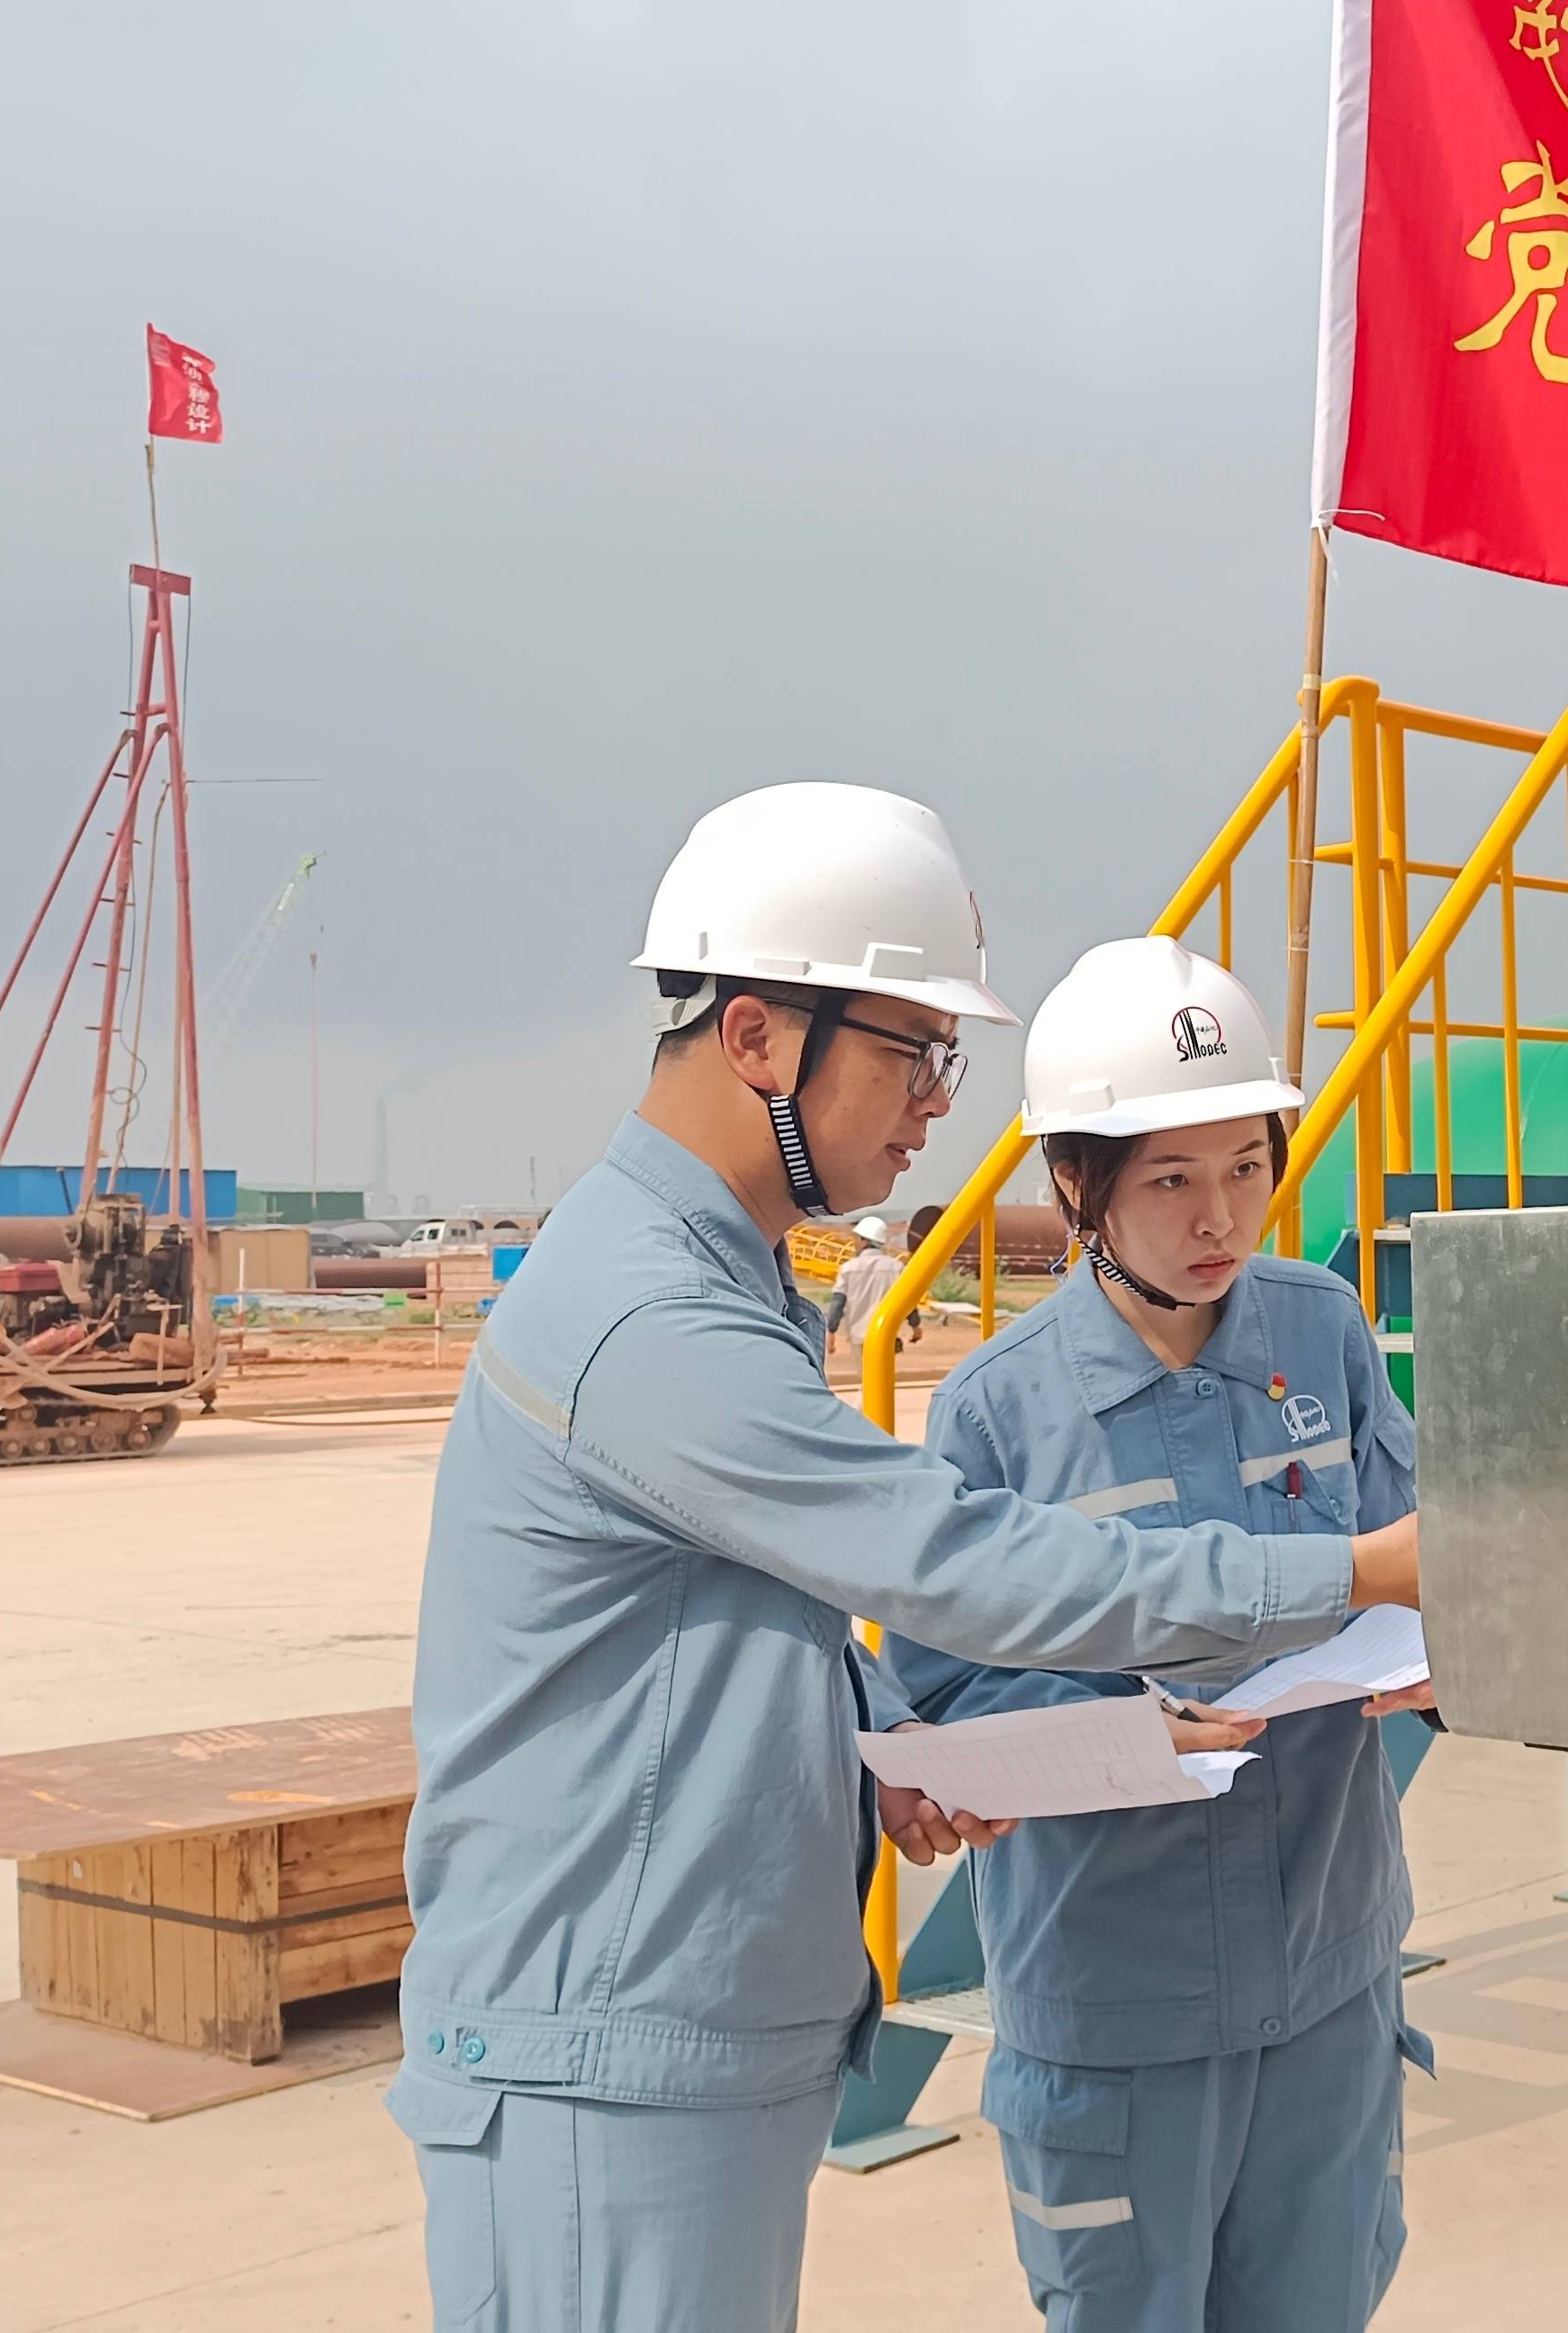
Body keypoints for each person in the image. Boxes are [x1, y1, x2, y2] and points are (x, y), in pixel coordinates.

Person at [390, 784, 1419, 2333]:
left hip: (678, 2029)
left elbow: (705, 1649)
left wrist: (866, 1761)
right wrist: (1358, 1574)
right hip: (608, 2044)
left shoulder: (720, 1289)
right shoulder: (652, 1320)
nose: (940, 1098)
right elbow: (964, 1565)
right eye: (910, 1050)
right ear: (755, 1036)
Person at [891, 937, 1435, 2332]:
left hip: (1327, 1970)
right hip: (1120, 2010)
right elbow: (942, 1715)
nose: (1222, 1218)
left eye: (1246, 1167)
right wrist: (1106, 1734)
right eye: (1172, 1181)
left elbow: (1427, 1557)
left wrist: (1442, 1655)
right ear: (1077, 1186)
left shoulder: (1323, 1332)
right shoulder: (1000, 1413)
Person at [825, 1213, 911, 1365]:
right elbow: (907, 1299)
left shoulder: (848, 1268)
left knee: (866, 1380)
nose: (854, 1243)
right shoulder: (896, 1267)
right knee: (882, 1380)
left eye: (857, 1239)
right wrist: (915, 1325)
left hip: (858, 1334)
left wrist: (831, 1331)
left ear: (864, 1241)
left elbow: (838, 1302)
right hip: (886, 1334)